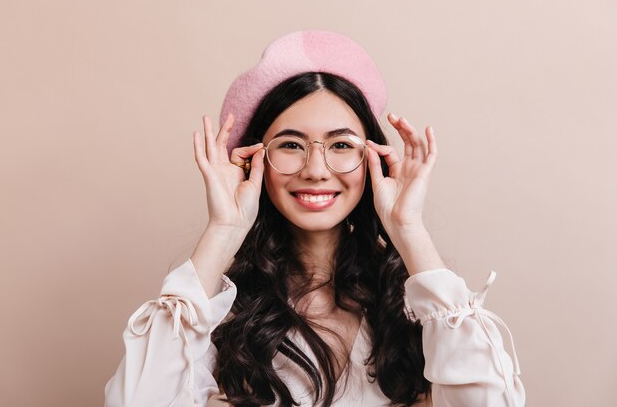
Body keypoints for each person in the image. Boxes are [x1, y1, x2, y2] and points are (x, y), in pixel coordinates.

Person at [104, 30, 525, 407]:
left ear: (372, 160)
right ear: (257, 161)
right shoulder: (224, 314)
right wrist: (224, 230)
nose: (316, 169)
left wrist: (408, 229)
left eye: (341, 145)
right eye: (291, 145)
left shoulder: (414, 307)